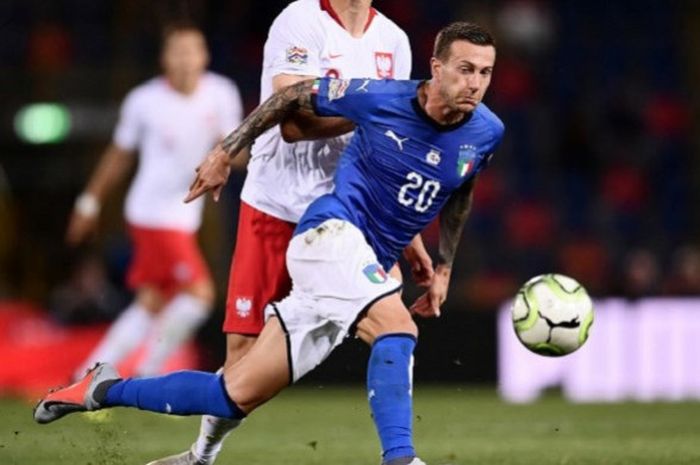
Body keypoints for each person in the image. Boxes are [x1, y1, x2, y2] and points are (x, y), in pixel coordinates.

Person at [35, 22, 504, 465]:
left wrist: (442, 266)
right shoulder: (381, 97)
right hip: (329, 236)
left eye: (485, 72)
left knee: (232, 393)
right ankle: (400, 458)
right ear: (437, 67)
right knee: (397, 330)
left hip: (363, 262)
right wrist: (226, 150)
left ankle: (101, 388)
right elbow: (292, 96)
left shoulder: (487, 130)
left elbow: (460, 189)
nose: (475, 83)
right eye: (465, 69)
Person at [145, 2, 424, 464]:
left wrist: (410, 236)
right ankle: (201, 456)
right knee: (243, 358)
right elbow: (294, 125)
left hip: (349, 213)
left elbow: (387, 148)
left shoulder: (393, 40)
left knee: (393, 326)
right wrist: (375, 111)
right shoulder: (300, 20)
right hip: (277, 205)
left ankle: (400, 455)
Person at [67, 22, 243, 379]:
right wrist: (89, 202)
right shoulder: (144, 100)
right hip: (152, 214)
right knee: (200, 295)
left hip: (184, 215)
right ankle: (151, 372)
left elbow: (234, 151)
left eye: (192, 50)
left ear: (204, 55)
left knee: (151, 302)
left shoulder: (221, 93)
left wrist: (252, 154)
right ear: (164, 58)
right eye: (177, 51)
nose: (185, 59)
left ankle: (86, 375)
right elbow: (119, 155)